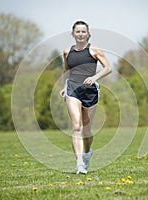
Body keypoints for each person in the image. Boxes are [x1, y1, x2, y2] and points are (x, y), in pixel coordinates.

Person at [60, 21, 112, 174]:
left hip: (90, 91)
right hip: (73, 90)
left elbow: (108, 68)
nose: (81, 34)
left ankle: (87, 153)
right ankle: (79, 164)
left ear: (88, 34)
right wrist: (64, 86)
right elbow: (66, 70)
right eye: (78, 32)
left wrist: (95, 78)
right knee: (76, 126)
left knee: (87, 130)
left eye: (83, 32)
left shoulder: (95, 50)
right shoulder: (67, 52)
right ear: (73, 34)